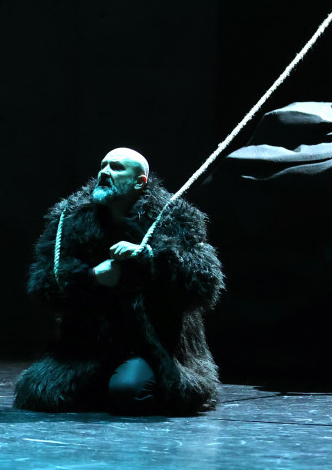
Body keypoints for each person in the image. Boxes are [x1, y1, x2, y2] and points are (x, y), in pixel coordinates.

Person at [14, 148, 224, 414]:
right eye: (103, 165)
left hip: (152, 344)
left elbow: (205, 284)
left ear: (139, 181)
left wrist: (150, 257)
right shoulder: (70, 217)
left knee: (129, 392)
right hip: (89, 346)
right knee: (42, 395)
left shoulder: (174, 218)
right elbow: (43, 284)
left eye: (116, 167)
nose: (104, 172)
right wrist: (91, 276)